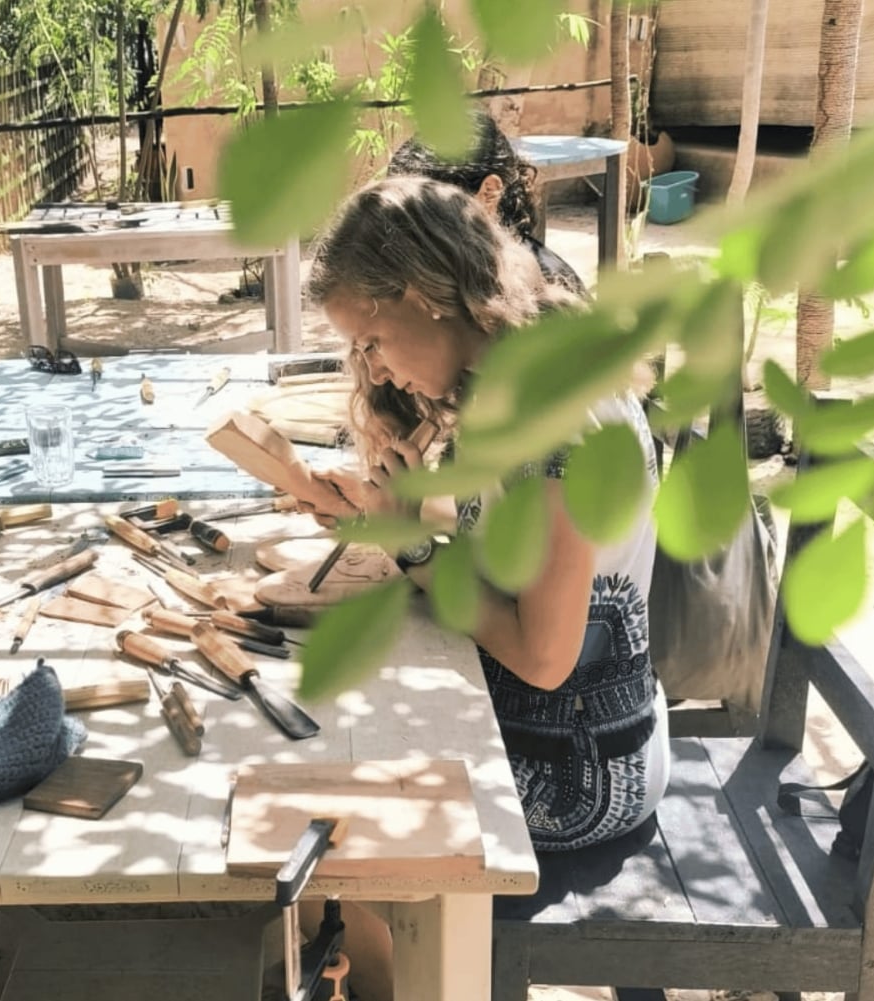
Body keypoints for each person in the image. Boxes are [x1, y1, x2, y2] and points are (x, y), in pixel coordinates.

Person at [301, 175, 668, 1001]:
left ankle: (416, 982)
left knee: (337, 827)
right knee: (341, 742)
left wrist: (423, 555)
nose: (373, 366)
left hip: (581, 773)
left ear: (427, 296)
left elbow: (543, 655)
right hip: (570, 730)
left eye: (371, 340)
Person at [387, 110, 590, 298]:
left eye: (425, 215)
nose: (409, 236)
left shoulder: (540, 294)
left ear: (489, 192)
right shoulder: (444, 276)